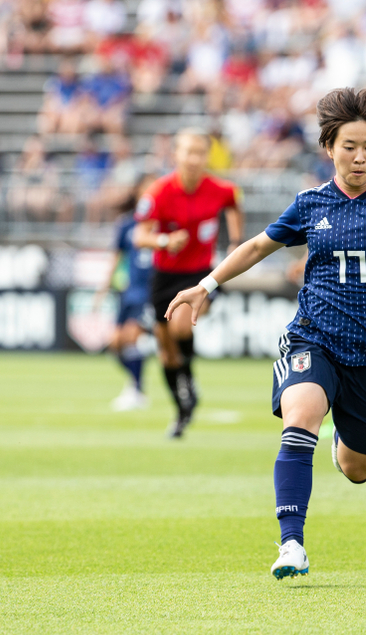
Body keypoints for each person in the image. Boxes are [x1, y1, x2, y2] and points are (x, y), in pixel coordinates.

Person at [165, 88, 366, 580]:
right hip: (314, 337)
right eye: (348, 146)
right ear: (329, 148)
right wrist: (207, 284)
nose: (359, 157)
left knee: (360, 467)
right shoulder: (310, 203)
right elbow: (259, 246)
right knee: (300, 418)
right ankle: (291, 545)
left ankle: (348, 424)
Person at [132, 128, 244, 438]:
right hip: (164, 276)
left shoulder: (219, 189)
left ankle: (190, 381)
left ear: (207, 155)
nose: (194, 158)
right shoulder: (159, 191)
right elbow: (138, 236)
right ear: (176, 155)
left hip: (200, 275)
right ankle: (182, 409)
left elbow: (234, 205)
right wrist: (164, 240)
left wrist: (234, 242)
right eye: (188, 152)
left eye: (200, 152)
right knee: (166, 352)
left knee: (181, 326)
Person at [97, 174, 158, 411]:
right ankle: (136, 382)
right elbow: (116, 259)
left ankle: (136, 390)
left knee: (132, 336)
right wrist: (103, 289)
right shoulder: (126, 225)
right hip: (128, 291)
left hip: (150, 291)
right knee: (115, 343)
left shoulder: (166, 221)